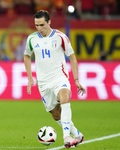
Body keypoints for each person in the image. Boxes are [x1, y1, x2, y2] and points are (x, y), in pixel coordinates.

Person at [24, 10, 86, 148]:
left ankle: (66, 137)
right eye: (36, 25)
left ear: (49, 22)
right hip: (44, 82)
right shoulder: (32, 39)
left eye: (42, 25)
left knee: (65, 98)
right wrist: (30, 78)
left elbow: (72, 57)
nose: (40, 28)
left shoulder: (60, 37)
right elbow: (27, 56)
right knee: (56, 114)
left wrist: (76, 80)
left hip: (60, 77)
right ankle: (77, 134)